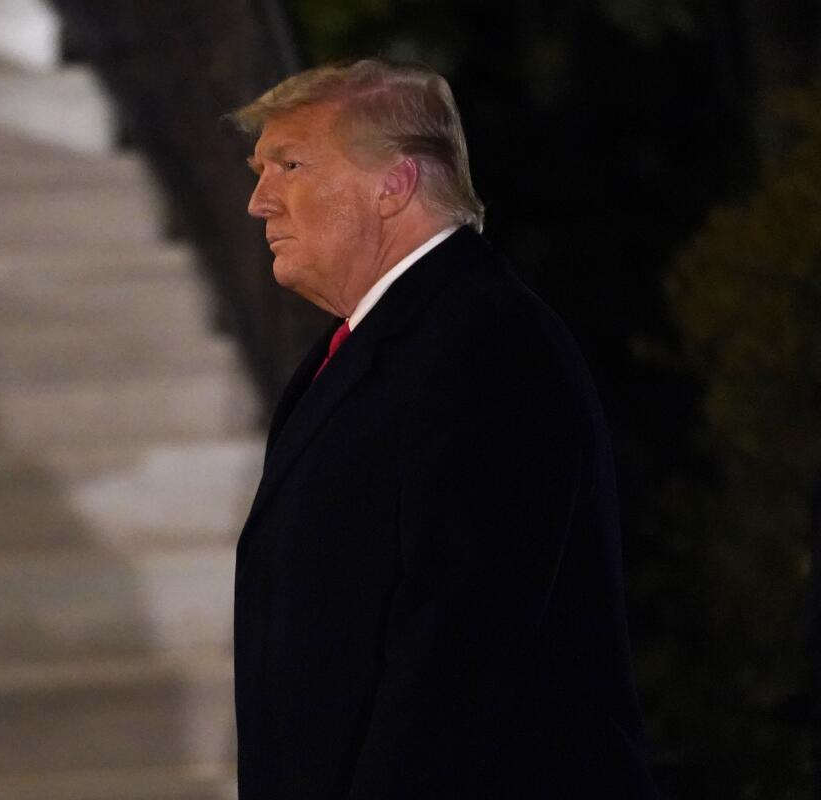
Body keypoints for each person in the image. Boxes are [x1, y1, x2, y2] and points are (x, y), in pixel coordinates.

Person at [230, 59, 658, 798]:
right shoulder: (376, 346)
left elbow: (457, 653)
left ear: (394, 184)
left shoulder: (485, 346)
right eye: (260, 169)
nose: (259, 201)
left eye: (289, 165)